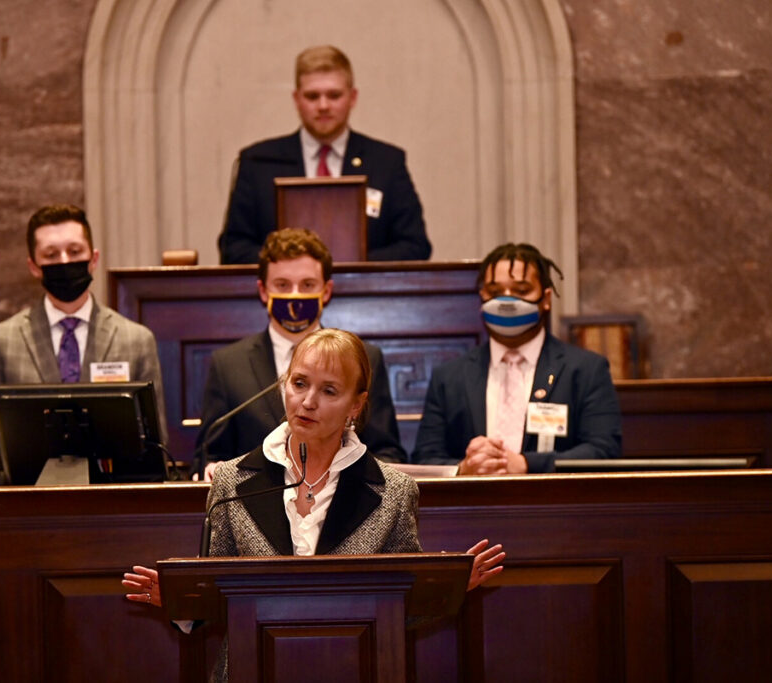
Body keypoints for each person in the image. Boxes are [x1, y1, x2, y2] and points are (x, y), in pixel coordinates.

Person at [123, 329, 505, 681]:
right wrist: (182, 600)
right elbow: (219, 600)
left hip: (354, 669)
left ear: (356, 405)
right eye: (299, 383)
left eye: (329, 391)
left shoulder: (394, 491)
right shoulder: (231, 481)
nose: (307, 402)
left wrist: (448, 588)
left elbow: (399, 607)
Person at [0, 204, 166, 485]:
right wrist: (30, 481)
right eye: (51, 254)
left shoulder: (135, 340)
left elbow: (156, 449)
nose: (64, 261)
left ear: (93, 259)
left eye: (74, 251)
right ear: (34, 266)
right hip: (28, 510)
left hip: (112, 510)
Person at [196, 228, 405, 479]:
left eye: (307, 285)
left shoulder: (365, 359)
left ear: (326, 291)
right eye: (282, 285)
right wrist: (210, 469)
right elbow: (208, 455)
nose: (295, 295)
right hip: (255, 508)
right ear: (263, 291)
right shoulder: (228, 365)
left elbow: (387, 453)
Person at [412, 243, 622, 473]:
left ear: (546, 298)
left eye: (521, 291)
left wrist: (526, 465)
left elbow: (604, 451)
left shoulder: (586, 370)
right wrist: (463, 469)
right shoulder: (449, 376)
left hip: (553, 504)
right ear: (482, 297)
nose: (507, 301)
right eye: (495, 292)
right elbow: (424, 458)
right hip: (475, 505)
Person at [218, 45, 431, 264]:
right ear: (296, 99)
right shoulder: (257, 163)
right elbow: (233, 249)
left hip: (366, 294)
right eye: (312, 96)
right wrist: (289, 265)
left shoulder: (386, 162)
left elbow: (415, 246)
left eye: (334, 95)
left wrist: (351, 264)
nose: (323, 105)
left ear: (353, 97)